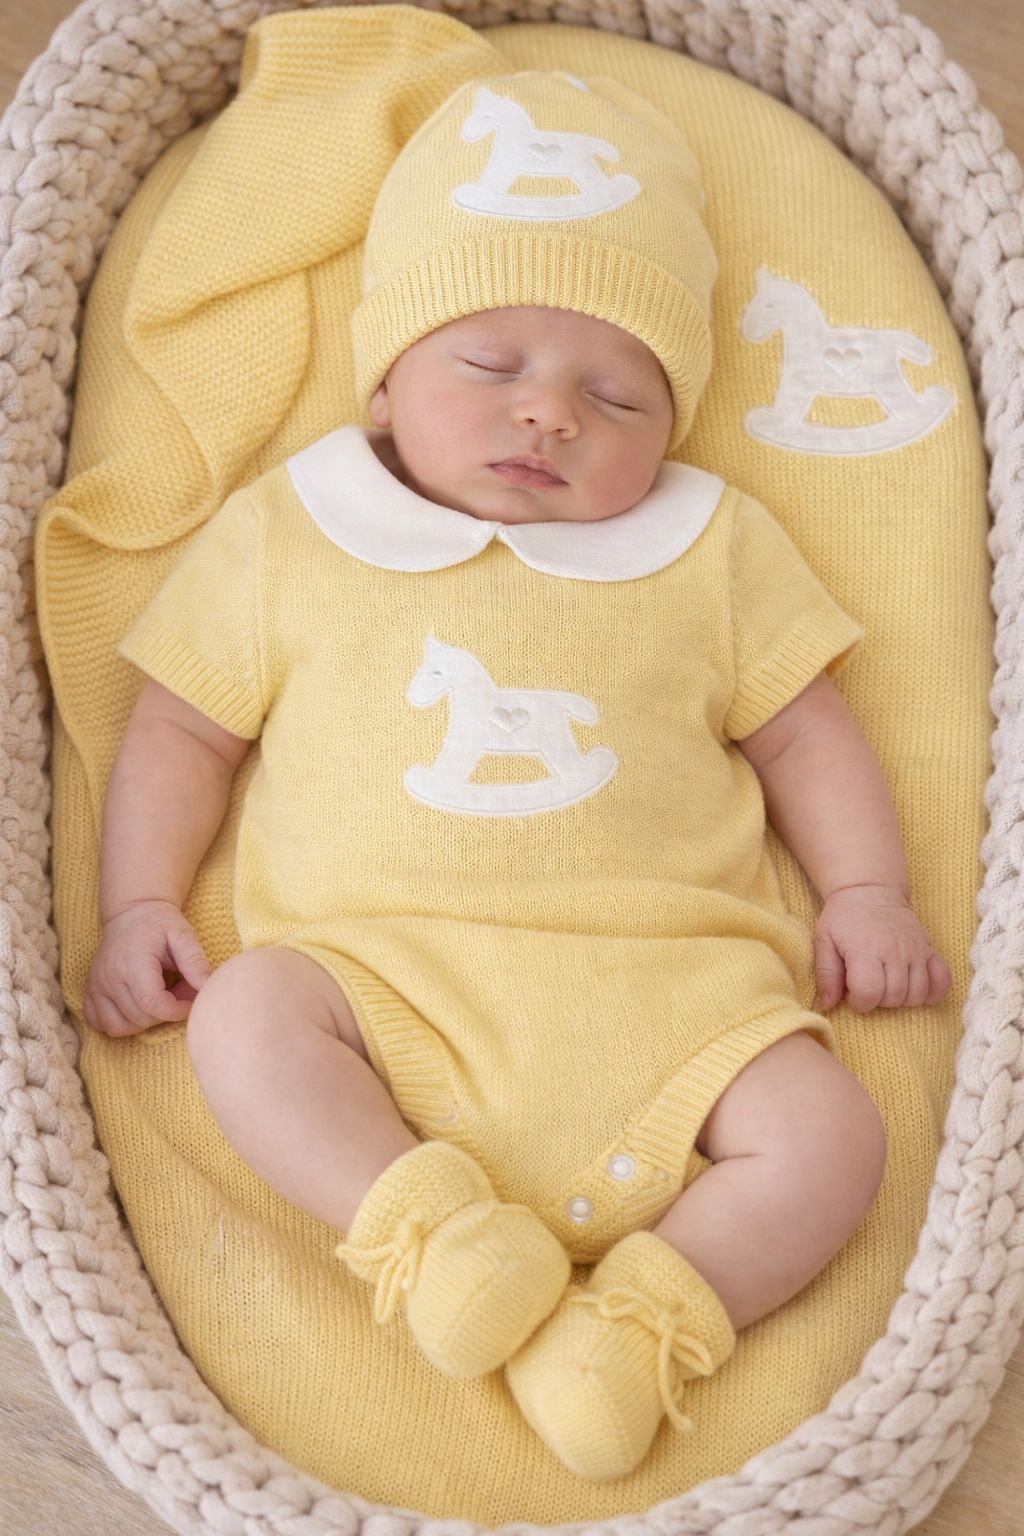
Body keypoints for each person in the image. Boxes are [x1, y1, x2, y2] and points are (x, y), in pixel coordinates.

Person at [81, 70, 952, 1481]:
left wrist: (865, 893)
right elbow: (182, 730)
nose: (548, 414)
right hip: (384, 985)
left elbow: (805, 732)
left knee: (830, 1133)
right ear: (384, 382)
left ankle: (645, 1326)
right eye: (488, 366)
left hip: (675, 995)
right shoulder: (293, 528)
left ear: (673, 423)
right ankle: (432, 1235)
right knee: (246, 1017)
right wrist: (137, 907)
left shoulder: (714, 542)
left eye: (616, 394)